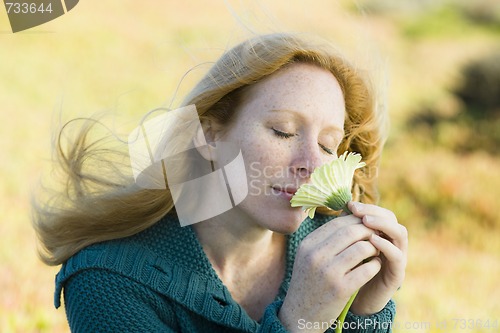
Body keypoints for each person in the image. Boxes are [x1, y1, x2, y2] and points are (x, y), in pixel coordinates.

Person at [33, 32, 408, 332]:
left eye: (328, 145)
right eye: (283, 132)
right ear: (209, 135)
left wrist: (364, 313)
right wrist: (297, 322)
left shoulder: (333, 255)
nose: (312, 164)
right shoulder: (109, 280)